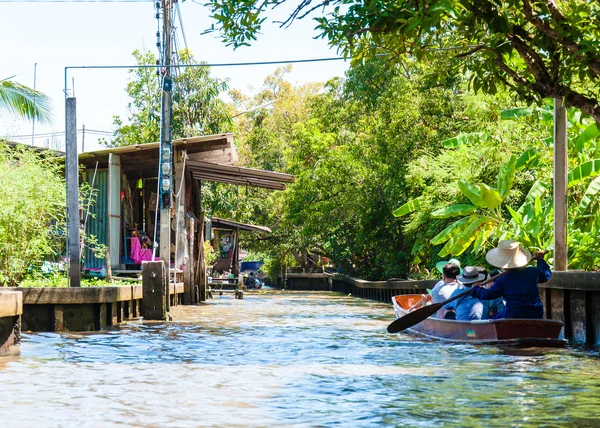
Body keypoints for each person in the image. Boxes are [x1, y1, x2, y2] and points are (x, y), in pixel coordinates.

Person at [469, 240, 550, 319]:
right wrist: (540, 260)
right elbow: (546, 275)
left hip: (514, 315)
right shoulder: (533, 272)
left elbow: (486, 294)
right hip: (536, 313)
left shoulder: (502, 280)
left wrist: (476, 288)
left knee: (493, 319)